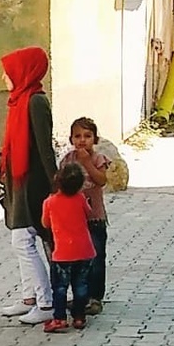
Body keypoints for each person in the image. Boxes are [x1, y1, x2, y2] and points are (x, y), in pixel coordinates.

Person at [0, 46, 57, 324]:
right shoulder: (18, 100)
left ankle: (45, 303)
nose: (3, 77)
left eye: (8, 71)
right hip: (18, 181)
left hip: (33, 182)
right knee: (18, 238)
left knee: (23, 240)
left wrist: (55, 185)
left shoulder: (35, 102)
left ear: (23, 71)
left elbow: (45, 148)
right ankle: (29, 297)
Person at [58, 117, 111, 313]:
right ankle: (81, 295)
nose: (82, 140)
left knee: (96, 258)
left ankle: (95, 297)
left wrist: (87, 163)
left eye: (87, 136)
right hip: (74, 220)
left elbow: (101, 180)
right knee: (78, 260)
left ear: (95, 139)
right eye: (78, 136)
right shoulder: (68, 160)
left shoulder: (98, 159)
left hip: (94, 219)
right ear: (71, 139)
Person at [40, 161, 96, 331]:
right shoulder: (80, 199)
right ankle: (79, 317)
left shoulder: (50, 202)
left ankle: (59, 318)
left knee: (60, 287)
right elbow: (89, 214)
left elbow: (45, 223)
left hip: (63, 253)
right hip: (84, 250)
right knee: (81, 285)